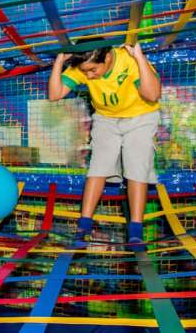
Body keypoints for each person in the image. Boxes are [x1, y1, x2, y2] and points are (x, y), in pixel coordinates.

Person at [48, 40, 161, 249]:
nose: (89, 76)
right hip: (106, 119)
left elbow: (153, 95)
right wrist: (59, 61)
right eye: (85, 72)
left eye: (93, 70)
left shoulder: (128, 60)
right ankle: (83, 227)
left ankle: (135, 230)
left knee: (136, 166)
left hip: (140, 116)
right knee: (98, 166)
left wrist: (139, 58)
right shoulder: (84, 65)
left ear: (107, 57)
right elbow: (55, 94)